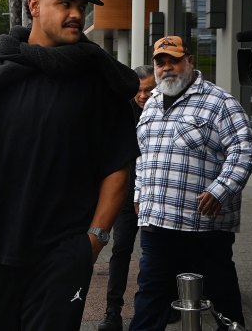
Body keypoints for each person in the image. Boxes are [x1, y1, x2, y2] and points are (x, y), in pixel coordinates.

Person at [0, 0, 140, 331]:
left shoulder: (100, 81)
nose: (76, 14)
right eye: (64, 3)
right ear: (34, 5)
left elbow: (117, 170)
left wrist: (94, 241)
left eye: (81, 5)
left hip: (61, 257)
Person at [129, 36, 252, 331]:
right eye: (161, 63)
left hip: (204, 228)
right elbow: (142, 154)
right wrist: (138, 192)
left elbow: (244, 150)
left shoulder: (220, 102)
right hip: (157, 224)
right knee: (149, 299)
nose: (167, 68)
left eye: (174, 60)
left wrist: (220, 189)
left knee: (222, 299)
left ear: (190, 61)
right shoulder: (151, 104)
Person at [98, 65, 156, 331]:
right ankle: (113, 312)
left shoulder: (164, 112)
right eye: (139, 90)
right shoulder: (121, 113)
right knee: (121, 250)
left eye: (149, 90)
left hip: (156, 196)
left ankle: (158, 304)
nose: (143, 95)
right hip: (126, 196)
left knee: (155, 253)